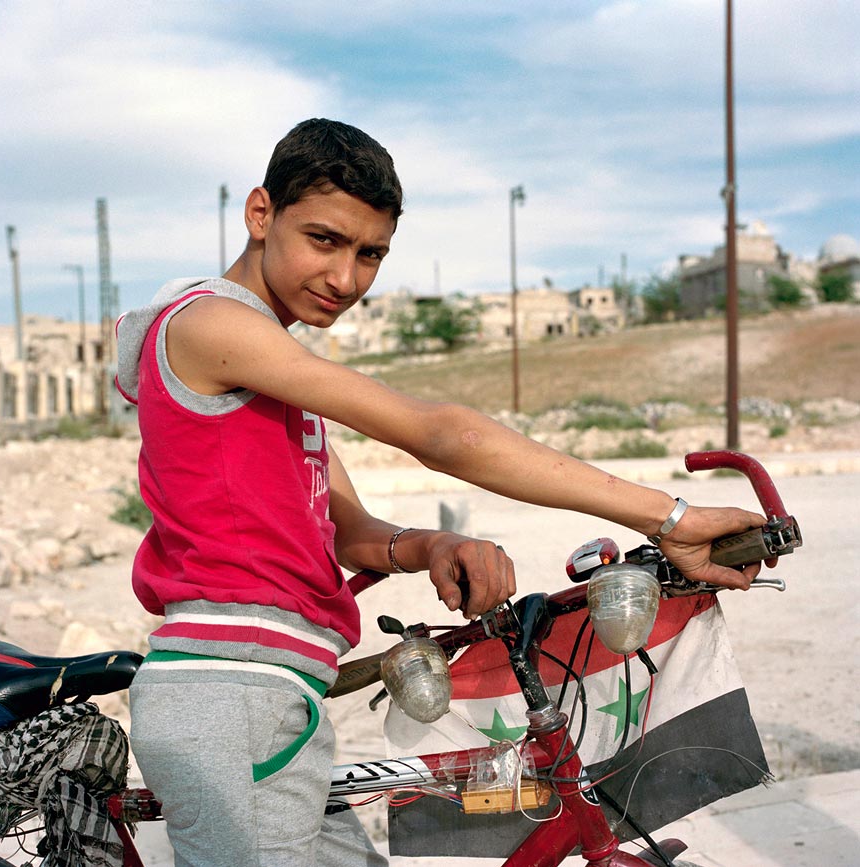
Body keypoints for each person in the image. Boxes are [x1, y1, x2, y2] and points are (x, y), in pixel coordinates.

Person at [115, 118, 772, 867]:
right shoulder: (211, 323)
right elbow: (438, 433)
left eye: (370, 254)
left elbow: (348, 527)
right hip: (229, 695)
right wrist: (669, 513)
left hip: (277, 699)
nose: (347, 279)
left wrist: (432, 544)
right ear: (260, 214)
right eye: (324, 240)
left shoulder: (273, 373)